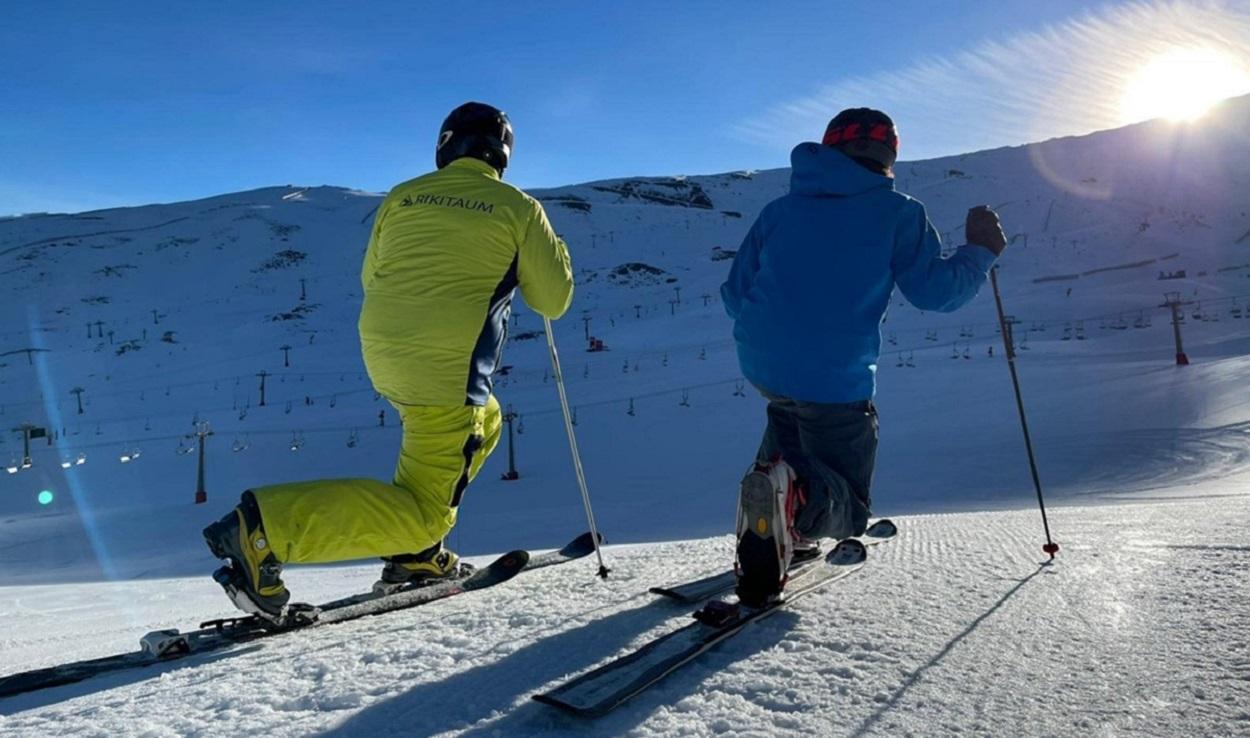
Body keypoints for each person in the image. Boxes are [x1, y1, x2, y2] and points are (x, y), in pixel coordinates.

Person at [203, 102, 575, 623]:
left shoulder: (403, 196)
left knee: (485, 420)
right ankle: (265, 532)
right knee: (425, 511)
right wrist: (553, 251)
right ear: (503, 155)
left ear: (446, 145)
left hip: (386, 352)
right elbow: (553, 301)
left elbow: (372, 275)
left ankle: (415, 557)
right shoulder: (518, 206)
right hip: (450, 371)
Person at [721, 108, 1006, 607]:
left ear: (827, 148)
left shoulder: (779, 210)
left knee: (788, 421)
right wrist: (980, 251)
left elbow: (734, 293)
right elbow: (936, 293)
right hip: (834, 374)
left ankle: (777, 512)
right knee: (847, 504)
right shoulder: (897, 212)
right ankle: (794, 508)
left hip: (762, 359)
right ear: (889, 155)